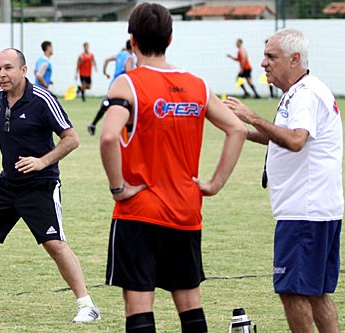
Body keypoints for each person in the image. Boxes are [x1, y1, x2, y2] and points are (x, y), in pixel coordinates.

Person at [99, 3, 246, 332]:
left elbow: (108, 137)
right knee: (190, 301)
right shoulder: (197, 85)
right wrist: (215, 183)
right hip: (185, 208)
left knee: (139, 303)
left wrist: (118, 188)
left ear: (132, 40)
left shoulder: (128, 84)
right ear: (171, 38)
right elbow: (237, 129)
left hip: (140, 210)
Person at [0, 48, 100, 323]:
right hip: (7, 184)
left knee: (54, 244)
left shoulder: (42, 99)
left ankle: (87, 305)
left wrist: (42, 162)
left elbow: (71, 138)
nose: (2, 74)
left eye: (8, 68)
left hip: (40, 185)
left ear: (23, 70)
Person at [224, 28, 342, 333]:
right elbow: (282, 136)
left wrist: (252, 117)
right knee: (315, 292)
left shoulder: (304, 94)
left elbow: (295, 140)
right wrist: (241, 130)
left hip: (304, 211)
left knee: (292, 289)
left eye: (270, 56)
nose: (263, 63)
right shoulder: (303, 90)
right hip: (317, 208)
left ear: (295, 59)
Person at [87, 39, 135, 136]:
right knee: (128, 108)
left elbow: (106, 60)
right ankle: (127, 132)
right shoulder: (130, 57)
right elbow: (129, 71)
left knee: (106, 104)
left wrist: (105, 72)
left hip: (113, 85)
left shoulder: (119, 54)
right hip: (123, 87)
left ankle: (93, 124)